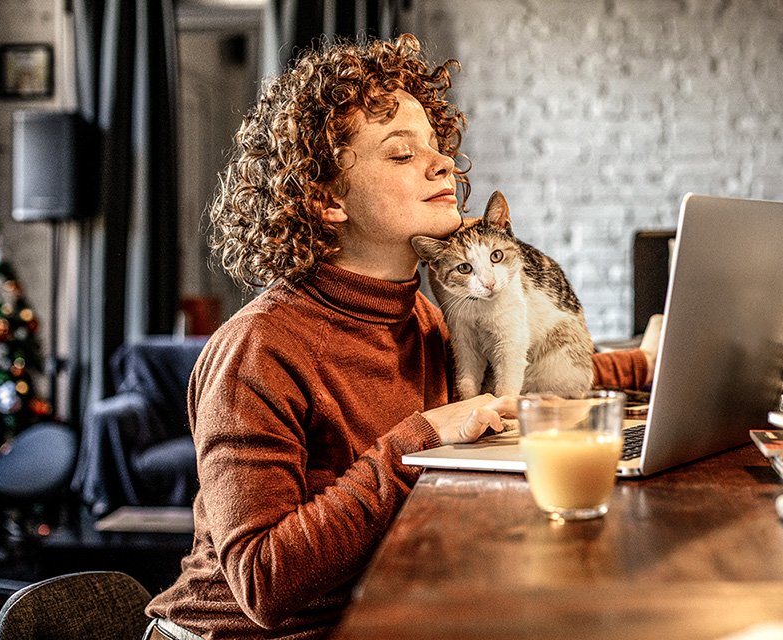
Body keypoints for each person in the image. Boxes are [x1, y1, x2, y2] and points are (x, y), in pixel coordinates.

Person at [143, 34, 656, 640]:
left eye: (437, 149)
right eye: (400, 154)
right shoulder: (259, 349)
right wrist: (423, 437)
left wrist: (650, 364)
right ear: (327, 198)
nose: (442, 165)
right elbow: (263, 583)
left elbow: (523, 373)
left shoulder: (423, 316)